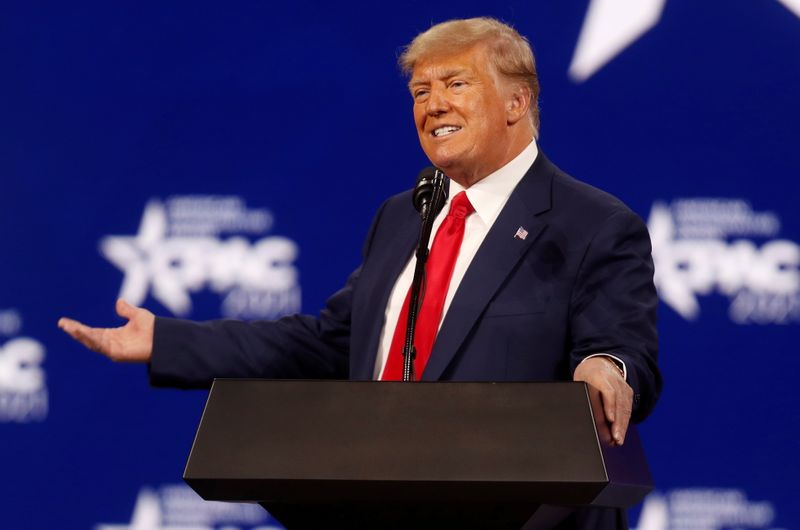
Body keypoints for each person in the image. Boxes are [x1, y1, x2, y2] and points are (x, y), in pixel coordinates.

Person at [59, 17, 660, 530]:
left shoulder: (593, 223)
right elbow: (330, 343)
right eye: (420, 91)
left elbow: (623, 347)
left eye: (456, 84)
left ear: (517, 101)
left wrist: (605, 365)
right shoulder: (406, 214)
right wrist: (168, 340)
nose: (434, 105)